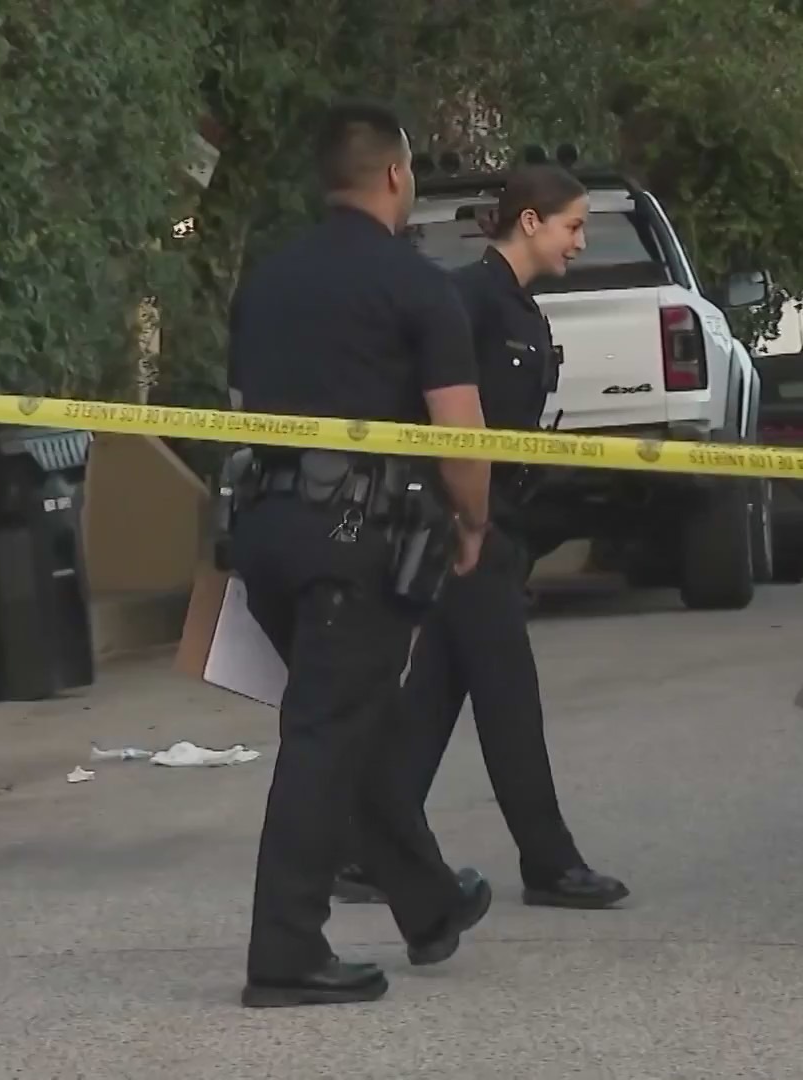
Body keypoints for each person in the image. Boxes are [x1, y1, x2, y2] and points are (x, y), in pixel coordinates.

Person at [226, 99, 497, 1009]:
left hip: (264, 529)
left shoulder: (264, 281)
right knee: (325, 735)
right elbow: (461, 437)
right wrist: (472, 523)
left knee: (353, 720)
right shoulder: (420, 286)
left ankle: (429, 904)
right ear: (394, 175)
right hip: (353, 541)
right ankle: (286, 953)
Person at [333, 165, 630, 911]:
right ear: (528, 222)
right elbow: (443, 414)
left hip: (501, 523)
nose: (581, 242)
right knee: (508, 694)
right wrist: (466, 515)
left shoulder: (523, 310)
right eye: (572, 226)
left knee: (435, 691)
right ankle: (549, 860)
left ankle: (369, 848)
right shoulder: (467, 300)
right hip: (464, 524)